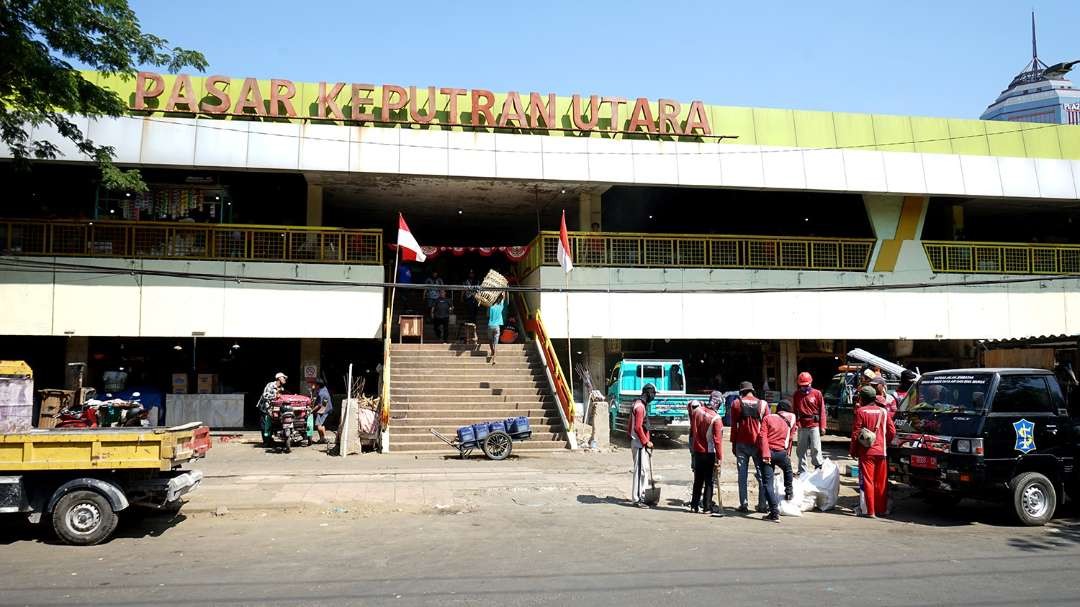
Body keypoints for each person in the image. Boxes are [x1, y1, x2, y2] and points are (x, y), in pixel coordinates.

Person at [850, 385, 896, 518]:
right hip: (881, 451)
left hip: (866, 452)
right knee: (881, 482)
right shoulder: (883, 412)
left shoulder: (860, 411)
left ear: (862, 398)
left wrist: (853, 451)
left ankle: (871, 511)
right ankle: (881, 509)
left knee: (868, 481)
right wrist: (884, 442)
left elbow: (855, 434)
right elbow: (892, 432)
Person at [730, 381, 769, 514]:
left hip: (741, 443)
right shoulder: (763, 404)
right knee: (762, 474)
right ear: (753, 390)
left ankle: (744, 504)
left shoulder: (736, 403)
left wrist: (733, 444)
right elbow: (767, 426)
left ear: (742, 392)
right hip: (758, 444)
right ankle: (763, 505)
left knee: (742, 475)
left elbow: (734, 427)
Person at [758, 401, 796, 522]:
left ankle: (774, 513)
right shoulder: (791, 418)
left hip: (768, 453)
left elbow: (762, 436)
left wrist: (765, 454)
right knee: (788, 469)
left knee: (767, 483)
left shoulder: (767, 418)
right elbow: (791, 438)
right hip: (782, 453)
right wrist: (788, 453)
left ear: (777, 409)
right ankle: (789, 491)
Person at [793, 371, 826, 476]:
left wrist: (823, 426)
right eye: (802, 386)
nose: (804, 388)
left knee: (815, 447)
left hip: (814, 425)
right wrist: (795, 424)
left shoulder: (817, 394)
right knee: (801, 449)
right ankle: (802, 470)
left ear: (810, 383)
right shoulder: (796, 395)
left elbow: (822, 411)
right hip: (802, 425)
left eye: (806, 385)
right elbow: (794, 411)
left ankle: (818, 466)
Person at [688, 400, 718, 514]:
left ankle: (694, 505)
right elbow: (718, 440)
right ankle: (707, 507)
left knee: (698, 479)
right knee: (709, 480)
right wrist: (719, 457)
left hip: (697, 451)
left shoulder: (696, 413)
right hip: (709, 452)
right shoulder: (715, 418)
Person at [629, 383, 656, 508]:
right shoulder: (640, 407)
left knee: (643, 470)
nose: (654, 396)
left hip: (640, 443)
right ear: (648, 393)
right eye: (653, 394)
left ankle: (643, 495)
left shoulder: (639, 404)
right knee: (639, 471)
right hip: (639, 444)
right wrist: (646, 442)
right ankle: (637, 498)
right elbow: (638, 427)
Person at [312, 378, 334, 445]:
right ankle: (322, 438)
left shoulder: (322, 393)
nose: (313, 385)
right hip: (326, 408)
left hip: (324, 409)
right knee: (322, 424)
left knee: (318, 425)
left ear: (318, 385)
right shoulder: (323, 389)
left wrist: (312, 411)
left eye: (315, 384)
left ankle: (323, 438)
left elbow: (320, 405)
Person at [487, 294, 505, 364]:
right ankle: (494, 359)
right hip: (497, 327)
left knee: (490, 340)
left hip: (490, 326)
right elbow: (503, 298)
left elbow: (488, 315)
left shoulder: (491, 307)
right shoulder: (501, 306)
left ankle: (492, 351)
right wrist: (503, 292)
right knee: (496, 344)